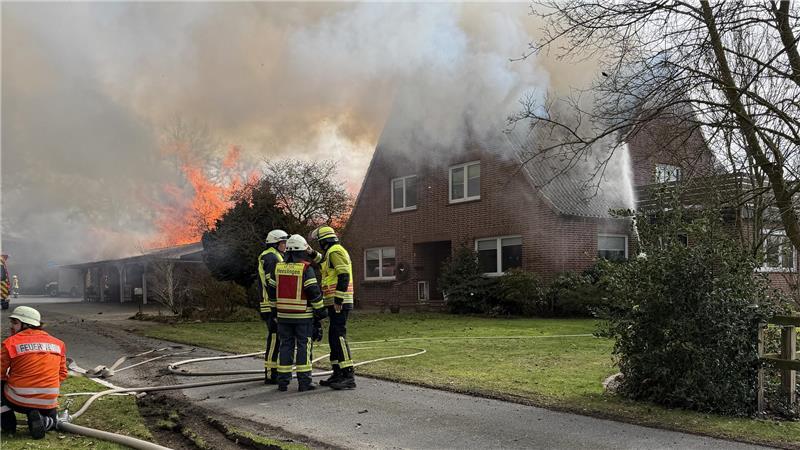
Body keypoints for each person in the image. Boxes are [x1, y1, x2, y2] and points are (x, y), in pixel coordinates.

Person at [269, 235, 327, 392]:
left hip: (283, 316)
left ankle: (283, 382)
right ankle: (304, 382)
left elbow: (272, 291)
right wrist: (321, 311)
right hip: (303, 316)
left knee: (285, 346)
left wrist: (274, 311)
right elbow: (314, 292)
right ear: (302, 251)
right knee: (303, 346)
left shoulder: (278, 268)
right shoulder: (306, 269)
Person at [0, 306, 67, 439]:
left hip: (19, 401)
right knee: (50, 420)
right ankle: (46, 421)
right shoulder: (58, 343)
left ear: (26, 324)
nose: (11, 327)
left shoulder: (10, 343)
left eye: (15, 323)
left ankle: (9, 426)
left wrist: (10, 378)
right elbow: (62, 373)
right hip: (48, 401)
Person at [308, 226, 356, 390]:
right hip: (334, 302)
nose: (319, 244)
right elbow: (322, 261)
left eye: (319, 242)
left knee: (339, 336)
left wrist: (338, 298)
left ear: (324, 240)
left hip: (339, 303)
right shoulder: (331, 252)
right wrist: (311, 252)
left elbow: (344, 275)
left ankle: (348, 376)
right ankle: (337, 373)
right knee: (333, 337)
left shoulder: (335, 251)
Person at [257, 229, 289, 385]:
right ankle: (270, 373)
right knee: (275, 337)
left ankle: (274, 371)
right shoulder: (271, 257)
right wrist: (275, 307)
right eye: (283, 243)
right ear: (276, 243)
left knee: (277, 337)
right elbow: (272, 284)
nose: (286, 246)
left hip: (270, 304)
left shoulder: (273, 256)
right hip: (270, 305)